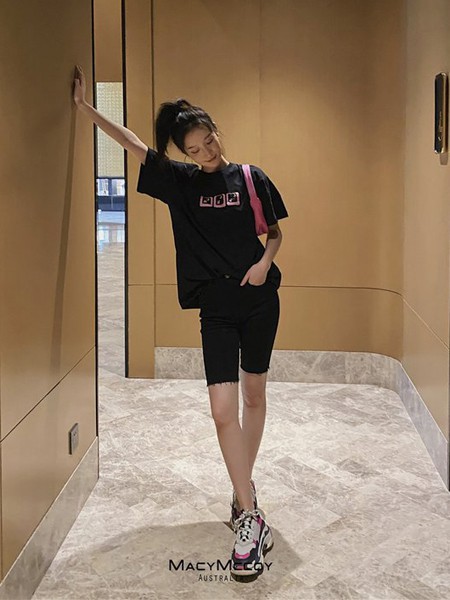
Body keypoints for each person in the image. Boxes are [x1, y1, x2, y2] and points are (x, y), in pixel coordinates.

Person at [73, 64, 288, 577]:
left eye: (208, 141)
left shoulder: (251, 177)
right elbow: (133, 144)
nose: (205, 153)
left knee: (254, 396)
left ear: (215, 131)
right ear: (184, 154)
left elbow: (275, 233)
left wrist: (264, 264)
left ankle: (242, 496)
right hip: (216, 308)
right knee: (222, 410)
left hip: (260, 301)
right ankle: (251, 515)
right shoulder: (182, 184)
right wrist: (85, 109)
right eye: (194, 150)